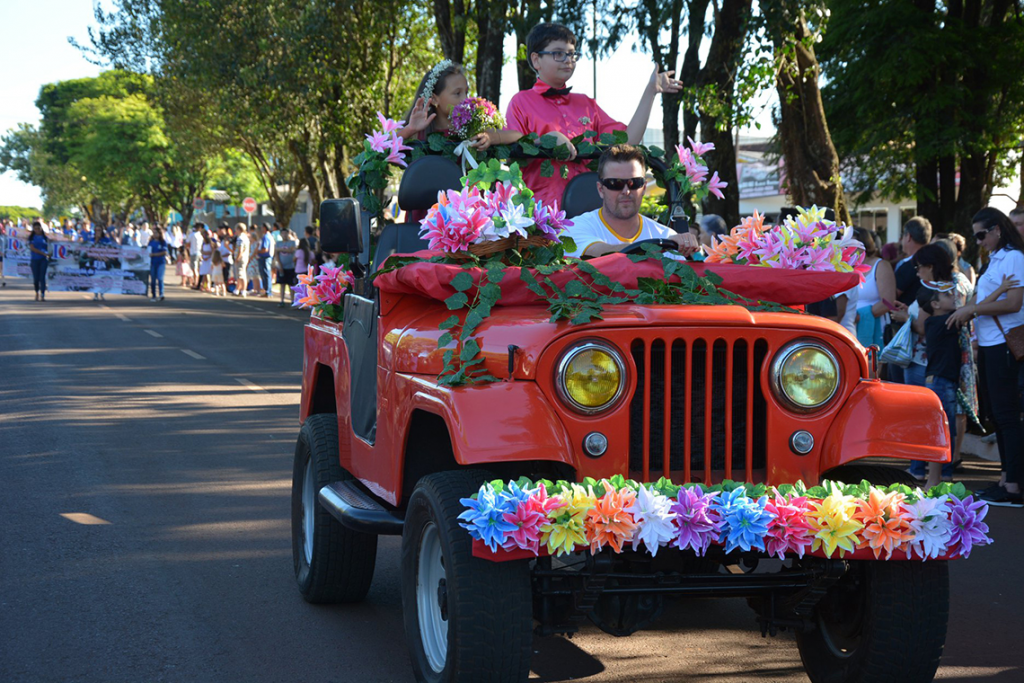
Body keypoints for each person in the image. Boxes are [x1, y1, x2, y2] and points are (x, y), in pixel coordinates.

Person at [505, 22, 683, 206]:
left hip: (589, 211)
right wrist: (548, 140)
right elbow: (511, 154)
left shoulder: (587, 104)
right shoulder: (520, 102)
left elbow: (627, 142)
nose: (568, 60)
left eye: (572, 54)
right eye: (558, 53)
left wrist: (650, 92)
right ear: (536, 60)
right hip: (541, 215)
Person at [947, 207, 1024, 506]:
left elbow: (1015, 303)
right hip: (991, 344)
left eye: (981, 234)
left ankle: (1014, 486)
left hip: (1004, 344)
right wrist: (972, 309)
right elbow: (988, 299)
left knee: (1006, 416)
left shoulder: (1014, 257)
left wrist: (973, 309)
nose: (978, 241)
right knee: (996, 413)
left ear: (997, 230)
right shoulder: (995, 259)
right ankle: (1006, 479)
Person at [562, 145, 699, 258]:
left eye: (634, 183)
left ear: (644, 187)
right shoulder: (573, 229)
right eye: (615, 183)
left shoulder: (667, 236)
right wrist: (662, 246)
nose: (626, 191)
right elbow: (601, 253)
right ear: (600, 189)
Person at [912, 241, 978, 475]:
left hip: (941, 368)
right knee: (942, 421)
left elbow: (924, 323)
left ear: (931, 266)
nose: (918, 271)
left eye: (920, 266)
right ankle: (940, 471)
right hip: (942, 370)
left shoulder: (948, 291)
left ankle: (936, 470)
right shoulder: (945, 309)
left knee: (939, 421)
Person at [916, 284, 962, 489]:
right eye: (946, 295)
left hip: (941, 380)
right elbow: (968, 312)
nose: (953, 296)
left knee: (942, 428)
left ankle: (940, 476)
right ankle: (935, 480)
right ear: (935, 304)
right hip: (941, 382)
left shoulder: (939, 322)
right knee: (942, 429)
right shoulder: (940, 322)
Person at [852, 227, 898, 348]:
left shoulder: (881, 265)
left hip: (876, 325)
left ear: (863, 244)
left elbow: (888, 302)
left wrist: (859, 316)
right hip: (848, 326)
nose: (845, 248)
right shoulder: (843, 268)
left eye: (850, 244)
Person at [27, 220, 49, 301]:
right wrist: (43, 253)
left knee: (42, 277)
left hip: (43, 260)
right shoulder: (32, 237)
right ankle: (36, 292)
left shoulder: (45, 237)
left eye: (38, 228)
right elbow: (32, 248)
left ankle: (42, 294)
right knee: (36, 278)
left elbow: (50, 246)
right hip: (35, 260)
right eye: (35, 229)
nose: (37, 230)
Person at [275, 228, 298, 307]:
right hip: (282, 266)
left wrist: (279, 249)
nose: (284, 235)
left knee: (291, 284)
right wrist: (280, 265)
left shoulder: (292, 242)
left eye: (286, 233)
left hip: (291, 266)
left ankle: (292, 300)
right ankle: (282, 300)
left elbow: (292, 250)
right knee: (282, 284)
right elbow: (276, 254)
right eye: (283, 233)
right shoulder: (278, 243)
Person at [148, 226, 169, 301]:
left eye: (156, 233)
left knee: (160, 278)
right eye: (154, 233)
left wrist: (154, 255)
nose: (155, 234)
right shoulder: (151, 242)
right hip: (152, 263)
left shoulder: (163, 242)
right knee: (153, 280)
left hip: (161, 262)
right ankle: (153, 295)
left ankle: (161, 294)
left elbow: (164, 252)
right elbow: (148, 251)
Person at [257, 224, 275, 297]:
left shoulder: (266, 237)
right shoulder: (270, 236)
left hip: (265, 257)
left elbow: (265, 249)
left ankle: (267, 291)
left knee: (265, 274)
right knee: (267, 274)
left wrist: (257, 251)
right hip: (268, 257)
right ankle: (267, 290)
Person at [233, 223, 249, 297]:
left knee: (241, 275)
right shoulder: (246, 237)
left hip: (241, 258)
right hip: (245, 257)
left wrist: (237, 258)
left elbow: (240, 249)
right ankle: (238, 289)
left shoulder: (240, 238)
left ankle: (243, 290)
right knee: (241, 274)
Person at [188, 224, 204, 289]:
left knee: (194, 268)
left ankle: (196, 283)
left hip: (193, 253)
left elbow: (187, 243)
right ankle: (199, 283)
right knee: (199, 268)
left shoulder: (192, 235)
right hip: (200, 253)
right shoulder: (201, 236)